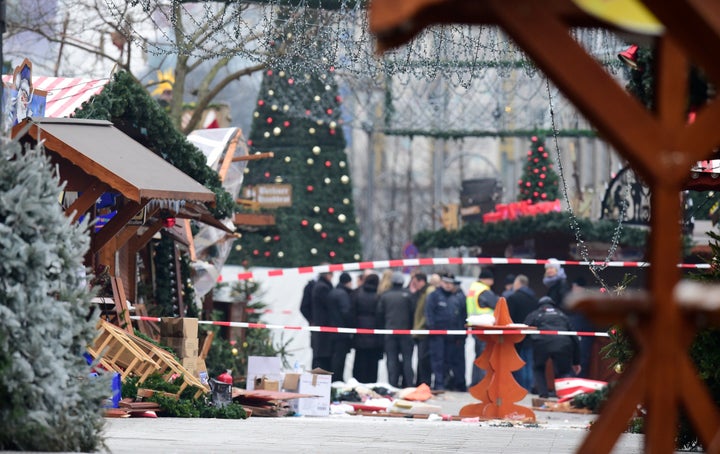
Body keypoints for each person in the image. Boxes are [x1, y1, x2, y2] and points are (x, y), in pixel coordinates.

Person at [524, 296, 581, 398]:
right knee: (564, 371)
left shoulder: (535, 314)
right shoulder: (562, 315)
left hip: (541, 343)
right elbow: (574, 337)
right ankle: (563, 394)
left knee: (538, 367)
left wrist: (519, 348)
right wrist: (576, 362)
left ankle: (543, 394)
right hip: (563, 343)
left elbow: (524, 329)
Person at [425, 272, 467, 391]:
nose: (448, 285)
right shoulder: (434, 296)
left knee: (451, 360)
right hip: (437, 335)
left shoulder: (458, 297)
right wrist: (432, 329)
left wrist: (462, 333)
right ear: (441, 283)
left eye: (450, 283)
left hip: (453, 335)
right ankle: (439, 384)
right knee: (438, 360)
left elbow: (463, 316)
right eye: (446, 283)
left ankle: (451, 383)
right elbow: (429, 314)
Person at [376, 271, 415, 388]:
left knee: (391, 360)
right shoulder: (408, 295)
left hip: (389, 332)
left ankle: (392, 384)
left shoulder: (385, 296)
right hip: (406, 332)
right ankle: (409, 384)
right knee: (408, 360)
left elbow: (379, 314)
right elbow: (413, 313)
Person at [465, 268, 499, 386]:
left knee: (478, 355)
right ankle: (482, 383)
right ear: (487, 279)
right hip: (484, 326)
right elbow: (497, 303)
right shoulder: (484, 290)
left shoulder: (473, 289)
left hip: (475, 326)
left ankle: (475, 382)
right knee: (484, 355)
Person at [505, 274, 538, 391]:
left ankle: (520, 388)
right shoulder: (534, 300)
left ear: (518, 284)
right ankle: (528, 387)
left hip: (516, 336)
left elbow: (508, 318)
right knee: (528, 362)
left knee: (518, 362)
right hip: (530, 335)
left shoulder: (513, 298)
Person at [350, 273, 383, 383]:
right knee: (372, 362)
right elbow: (381, 314)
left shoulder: (357, 293)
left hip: (360, 330)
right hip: (375, 332)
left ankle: (358, 382)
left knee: (360, 359)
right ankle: (371, 383)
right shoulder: (379, 295)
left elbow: (351, 312)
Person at [326, 272, 354, 382]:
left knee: (334, 359)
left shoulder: (332, 292)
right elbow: (346, 313)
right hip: (341, 332)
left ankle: (334, 381)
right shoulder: (343, 294)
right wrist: (351, 327)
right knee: (339, 360)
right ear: (348, 282)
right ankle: (337, 382)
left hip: (331, 332)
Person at [568, 276, 596, 378]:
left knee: (580, 361)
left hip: (582, 335)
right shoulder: (583, 301)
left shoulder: (582, 301)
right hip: (581, 335)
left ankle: (577, 383)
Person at [410, 272, 434, 387]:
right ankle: (421, 382)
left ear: (421, 281)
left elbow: (426, 313)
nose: (413, 286)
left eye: (415, 283)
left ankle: (424, 383)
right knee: (421, 358)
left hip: (423, 330)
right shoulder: (422, 292)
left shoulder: (428, 292)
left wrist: (421, 327)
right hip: (420, 330)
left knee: (424, 359)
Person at [310, 269, 334, 370]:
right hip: (323, 326)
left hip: (319, 326)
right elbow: (329, 306)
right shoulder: (323, 287)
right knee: (321, 358)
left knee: (319, 355)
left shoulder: (318, 285)